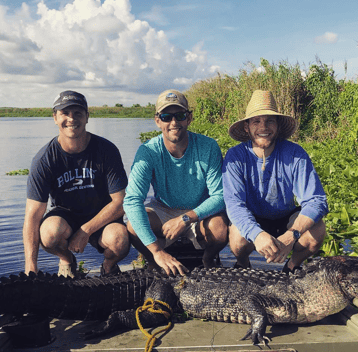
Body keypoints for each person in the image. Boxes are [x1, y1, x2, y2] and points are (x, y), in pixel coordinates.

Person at [23, 90, 130, 278]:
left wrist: (85, 230)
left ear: (87, 117)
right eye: (65, 113)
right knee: (49, 234)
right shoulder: (44, 159)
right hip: (65, 216)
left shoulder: (107, 150)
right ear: (55, 117)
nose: (71, 119)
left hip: (102, 215)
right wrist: (31, 266)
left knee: (120, 240)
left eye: (78, 113)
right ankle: (66, 259)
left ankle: (108, 266)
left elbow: (120, 202)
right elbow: (33, 215)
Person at [124, 89, 228, 275]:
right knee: (132, 225)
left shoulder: (208, 146)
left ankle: (208, 260)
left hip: (199, 210)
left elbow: (220, 195)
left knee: (219, 230)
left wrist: (185, 218)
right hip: (163, 208)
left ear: (189, 118)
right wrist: (156, 251)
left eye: (179, 115)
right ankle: (155, 261)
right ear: (157, 121)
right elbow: (132, 201)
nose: (174, 123)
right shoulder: (148, 151)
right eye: (166, 116)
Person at [222, 90, 328, 272]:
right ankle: (243, 264)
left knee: (317, 231)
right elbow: (234, 204)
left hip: (285, 218)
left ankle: (293, 265)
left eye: (270, 120)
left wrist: (291, 235)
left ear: (277, 125)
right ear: (247, 127)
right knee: (237, 238)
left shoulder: (295, 153)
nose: (264, 127)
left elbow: (316, 200)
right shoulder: (235, 156)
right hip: (252, 216)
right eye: (256, 121)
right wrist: (257, 234)